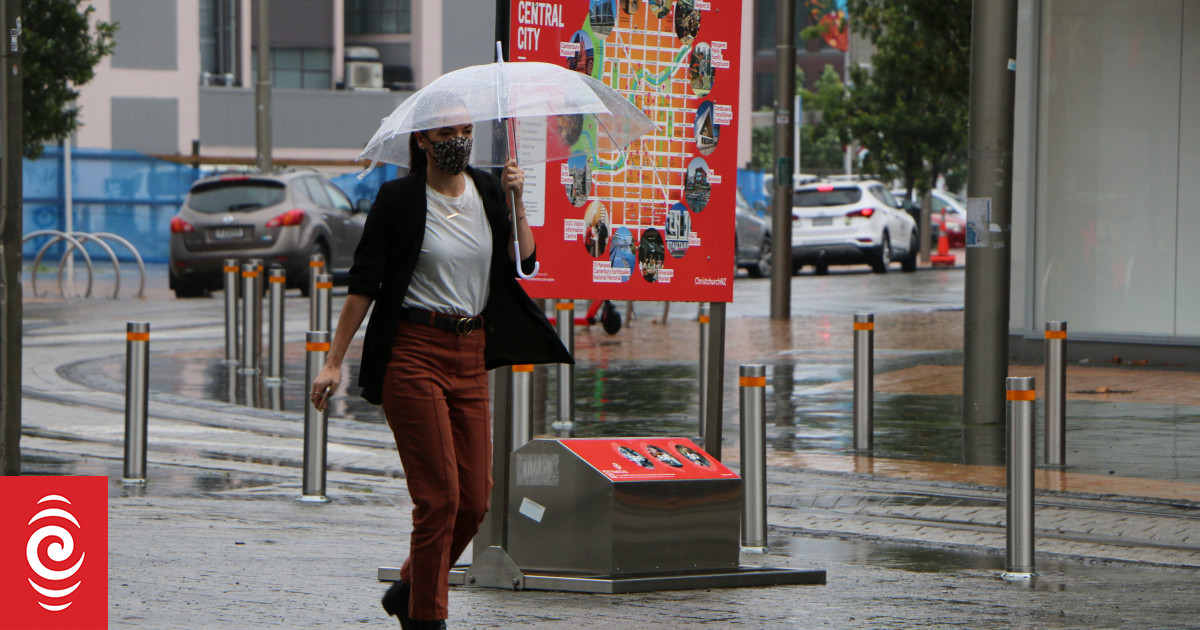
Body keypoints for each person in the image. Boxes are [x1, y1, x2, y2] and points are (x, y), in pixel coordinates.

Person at [310, 121, 572, 629]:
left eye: (465, 129)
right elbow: (364, 285)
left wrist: (518, 201)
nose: (459, 139)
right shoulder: (398, 200)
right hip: (413, 351)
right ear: (423, 142)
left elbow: (527, 262)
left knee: (474, 500)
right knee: (439, 498)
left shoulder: (490, 189)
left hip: (470, 352)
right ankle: (428, 619)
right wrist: (333, 359)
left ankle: (410, 588)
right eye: (446, 131)